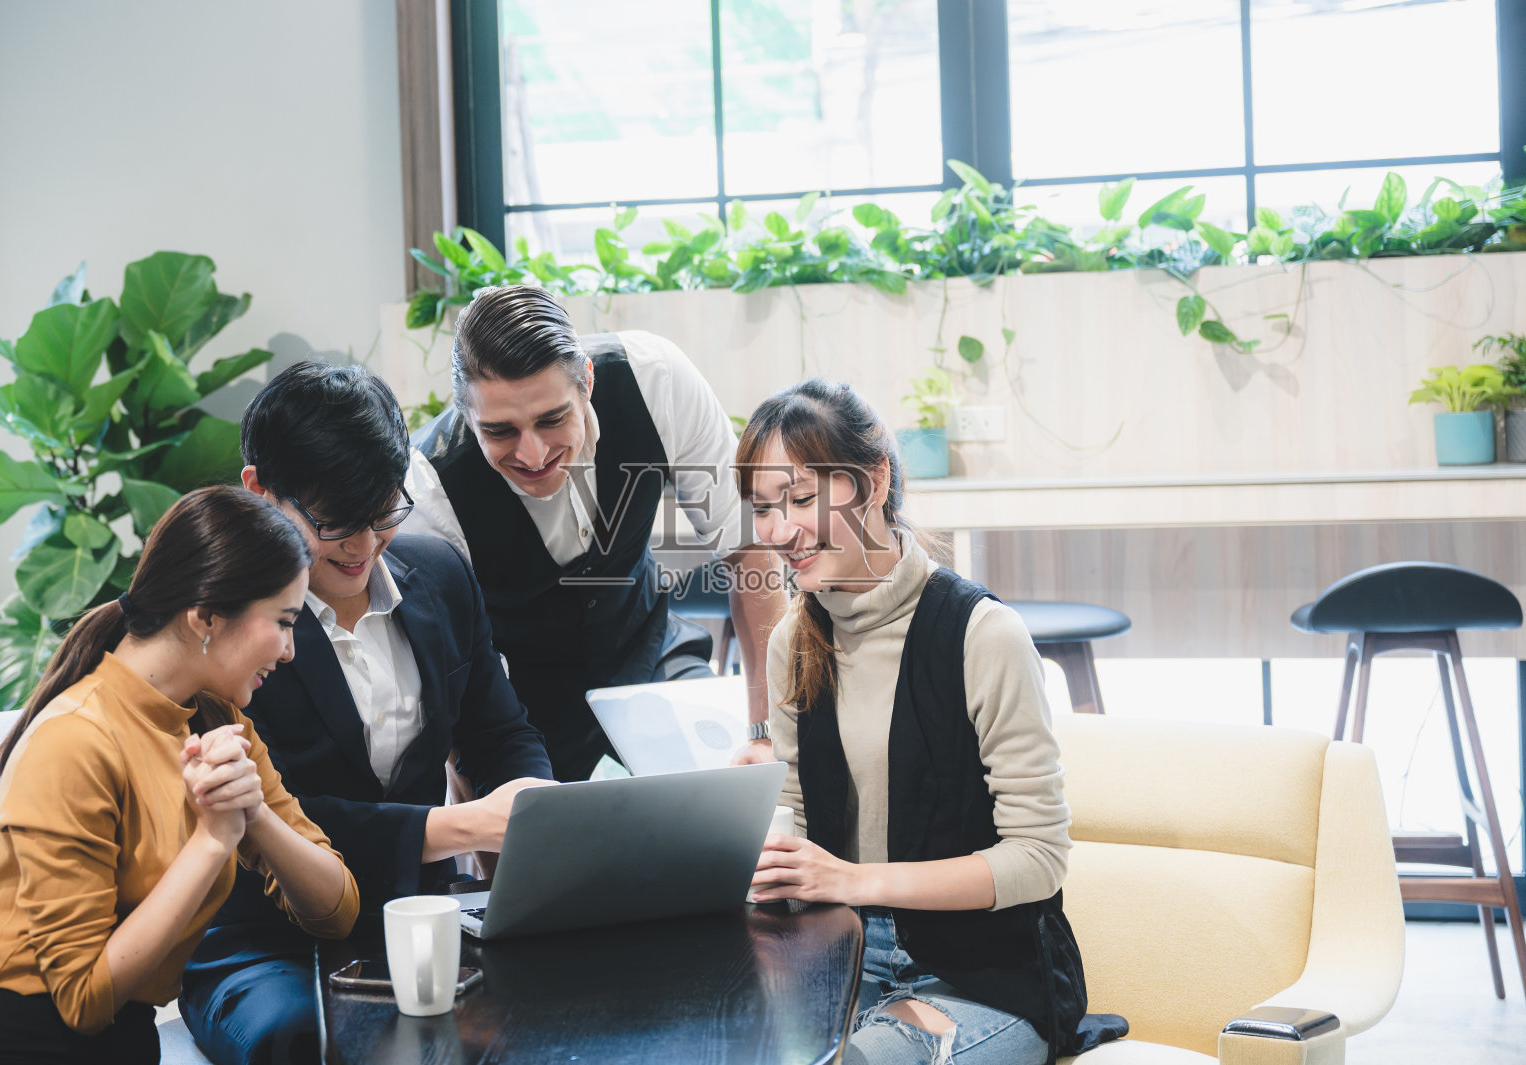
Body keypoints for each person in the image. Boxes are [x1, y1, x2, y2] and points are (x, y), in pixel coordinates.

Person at [180, 360, 555, 1065]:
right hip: (271, 942)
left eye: (383, 513)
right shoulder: (218, 625)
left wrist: (530, 800)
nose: (361, 545)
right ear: (259, 490)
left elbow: (501, 732)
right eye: (335, 522)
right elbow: (273, 811)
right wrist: (460, 825)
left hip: (428, 919)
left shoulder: (440, 575)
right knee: (310, 1042)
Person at [739, 380, 1123, 1065]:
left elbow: (1038, 858)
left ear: (874, 480)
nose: (778, 531)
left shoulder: (984, 633)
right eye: (764, 507)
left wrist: (854, 879)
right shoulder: (793, 640)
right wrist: (752, 843)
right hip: (835, 963)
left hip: (980, 983)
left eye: (799, 499)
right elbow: (795, 819)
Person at [0, 487, 359, 1065]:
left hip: (125, 1039)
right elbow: (82, 1000)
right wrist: (212, 840)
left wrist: (254, 813)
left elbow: (336, 911)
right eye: (283, 622)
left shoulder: (217, 723)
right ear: (206, 616)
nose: (289, 651)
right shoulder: (74, 738)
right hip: (15, 1042)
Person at [404, 284, 786, 780]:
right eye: (500, 431)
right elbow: (453, 682)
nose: (533, 454)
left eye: (552, 419)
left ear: (586, 379)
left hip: (651, 655)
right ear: (466, 412)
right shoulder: (428, 488)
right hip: (522, 714)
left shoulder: (656, 379)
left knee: (730, 788)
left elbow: (748, 548)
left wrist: (765, 729)